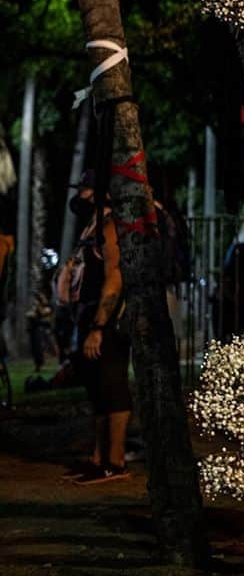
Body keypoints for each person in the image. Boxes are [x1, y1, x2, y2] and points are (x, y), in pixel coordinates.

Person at [66, 172, 132, 484]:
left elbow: (115, 278)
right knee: (97, 388)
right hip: (91, 316)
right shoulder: (94, 225)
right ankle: (98, 457)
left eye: (86, 190)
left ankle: (115, 461)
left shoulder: (110, 227)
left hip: (108, 322)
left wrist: (99, 326)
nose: (80, 197)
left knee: (112, 385)